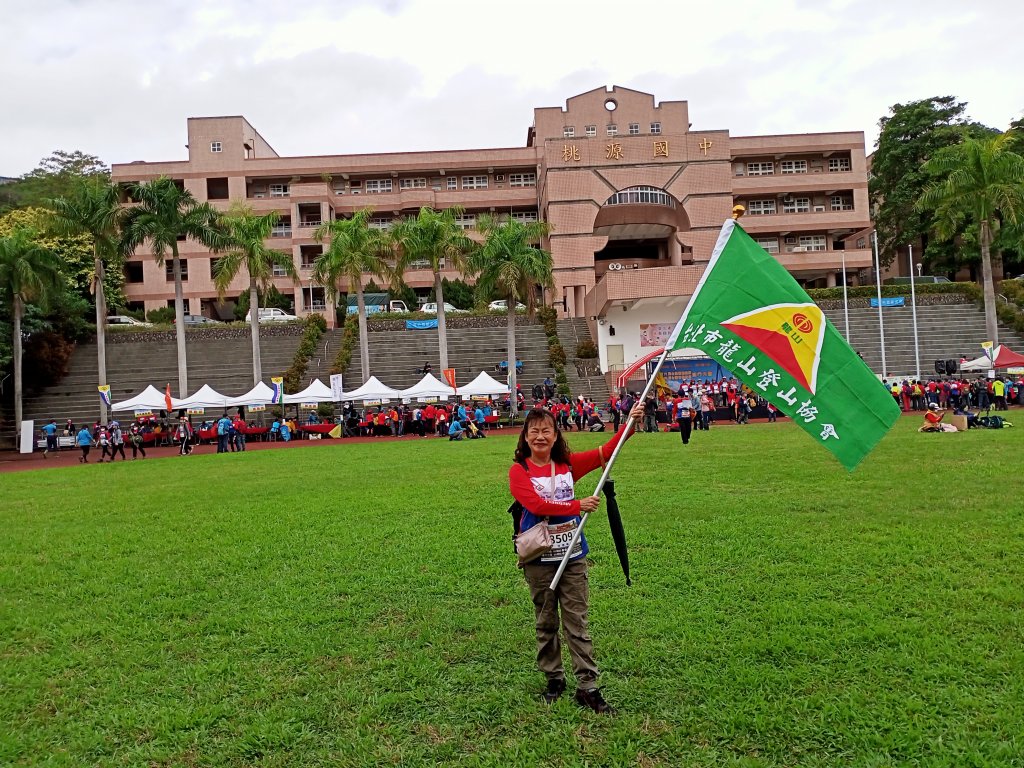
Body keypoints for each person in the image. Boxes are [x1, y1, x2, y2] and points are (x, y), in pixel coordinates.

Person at [509, 401, 644, 713]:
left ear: (556, 435)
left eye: (546, 430)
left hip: (572, 556)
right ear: (526, 438)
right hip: (539, 559)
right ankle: (554, 678)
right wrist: (576, 505)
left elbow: (608, 452)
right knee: (545, 621)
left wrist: (631, 424)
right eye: (534, 431)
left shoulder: (567, 465)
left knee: (576, 622)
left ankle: (588, 686)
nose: (540, 436)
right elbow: (535, 505)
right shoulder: (520, 471)